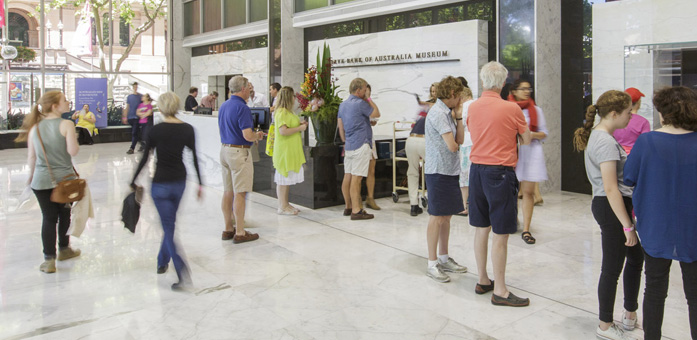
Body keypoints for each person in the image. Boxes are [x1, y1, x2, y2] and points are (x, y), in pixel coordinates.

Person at [624, 86, 697, 340]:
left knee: (654, 290)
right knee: (695, 296)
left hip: (655, 224)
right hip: (693, 226)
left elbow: (629, 177)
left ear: (663, 111)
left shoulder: (647, 142)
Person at [573, 90, 643, 340]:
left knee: (635, 259)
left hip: (614, 206)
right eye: (627, 113)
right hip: (611, 207)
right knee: (612, 268)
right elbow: (611, 187)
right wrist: (627, 225)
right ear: (614, 114)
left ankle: (629, 312)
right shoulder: (603, 140)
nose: (630, 118)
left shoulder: (604, 137)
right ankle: (604, 324)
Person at [468, 61, 531, 307]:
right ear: (503, 83)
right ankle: (501, 290)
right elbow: (525, 140)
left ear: (483, 81)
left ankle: (483, 279)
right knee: (501, 233)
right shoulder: (512, 108)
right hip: (500, 173)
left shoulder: (472, 107)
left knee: (481, 227)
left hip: (476, 171)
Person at [132, 92, 203, 291]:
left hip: (160, 184)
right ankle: (162, 260)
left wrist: (133, 180)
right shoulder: (187, 129)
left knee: (169, 226)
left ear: (161, 108)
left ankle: (182, 272)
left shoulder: (155, 130)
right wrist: (200, 183)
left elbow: (145, 158)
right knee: (169, 224)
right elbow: (195, 157)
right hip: (179, 182)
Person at [16, 91, 81, 274]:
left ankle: (49, 260)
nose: (68, 102)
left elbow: (32, 158)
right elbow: (73, 151)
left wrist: (31, 178)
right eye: (64, 100)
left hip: (41, 180)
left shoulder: (35, 128)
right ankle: (64, 249)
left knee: (48, 218)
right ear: (55, 106)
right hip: (65, 180)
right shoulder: (67, 124)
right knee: (65, 215)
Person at [423, 76, 468, 283]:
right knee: (437, 216)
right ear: (452, 94)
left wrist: (459, 118)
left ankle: (443, 257)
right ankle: (432, 263)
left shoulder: (448, 113)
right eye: (459, 96)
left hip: (449, 170)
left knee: (447, 216)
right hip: (438, 171)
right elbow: (453, 145)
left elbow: (459, 139)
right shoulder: (438, 113)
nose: (460, 100)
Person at [218, 76, 264, 243]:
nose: (250, 90)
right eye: (249, 88)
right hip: (239, 152)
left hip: (224, 150)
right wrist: (257, 135)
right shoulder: (242, 107)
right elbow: (247, 135)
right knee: (240, 192)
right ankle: (240, 232)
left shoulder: (224, 105)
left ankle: (228, 229)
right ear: (243, 89)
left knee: (228, 191)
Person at [507, 79, 549, 244]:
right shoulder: (508, 108)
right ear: (514, 91)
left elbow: (544, 133)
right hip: (512, 151)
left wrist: (530, 135)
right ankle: (512, 220)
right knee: (511, 191)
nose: (526, 91)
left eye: (528, 88)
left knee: (529, 192)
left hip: (531, 152)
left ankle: (526, 228)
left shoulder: (536, 110)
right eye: (523, 89)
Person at [338, 78, 380, 220]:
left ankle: (348, 206)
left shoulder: (343, 105)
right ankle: (357, 210)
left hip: (349, 145)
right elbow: (376, 113)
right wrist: (368, 98)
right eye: (364, 89)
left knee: (348, 176)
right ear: (358, 90)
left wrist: (345, 141)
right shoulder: (361, 103)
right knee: (357, 179)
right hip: (361, 144)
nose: (365, 92)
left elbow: (340, 126)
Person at [272, 86, 308, 215]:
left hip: (291, 148)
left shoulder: (289, 112)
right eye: (293, 96)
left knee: (287, 179)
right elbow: (283, 131)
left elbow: (290, 126)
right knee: (282, 177)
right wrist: (300, 129)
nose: (295, 99)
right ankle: (282, 206)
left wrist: (300, 124)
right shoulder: (281, 112)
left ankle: (285, 203)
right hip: (284, 149)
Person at [405, 83, 438, 216]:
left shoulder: (425, 106)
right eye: (432, 91)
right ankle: (431, 203)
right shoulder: (437, 107)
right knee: (432, 171)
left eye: (435, 91)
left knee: (412, 173)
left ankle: (414, 205)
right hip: (423, 140)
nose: (434, 93)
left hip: (411, 140)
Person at [613, 87, 650, 154]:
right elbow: (646, 144)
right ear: (639, 102)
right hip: (635, 155)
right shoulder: (643, 122)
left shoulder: (615, 119)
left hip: (616, 154)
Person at [456, 87, 474, 217]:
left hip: (466, 142)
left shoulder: (465, 106)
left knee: (464, 177)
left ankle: (463, 206)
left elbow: (461, 124)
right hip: (478, 143)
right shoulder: (478, 103)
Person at [365, 84, 381, 211]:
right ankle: (356, 199)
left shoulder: (369, 105)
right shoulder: (357, 105)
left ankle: (370, 197)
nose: (367, 97)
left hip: (370, 138)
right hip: (359, 140)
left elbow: (376, 115)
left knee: (372, 168)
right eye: (366, 94)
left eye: (369, 94)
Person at [122, 82, 142, 154]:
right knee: (136, 133)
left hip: (137, 117)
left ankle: (132, 148)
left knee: (134, 132)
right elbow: (127, 107)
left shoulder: (140, 96)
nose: (135, 88)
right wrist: (125, 117)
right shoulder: (129, 97)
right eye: (134, 87)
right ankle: (143, 144)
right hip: (130, 117)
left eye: (136, 87)